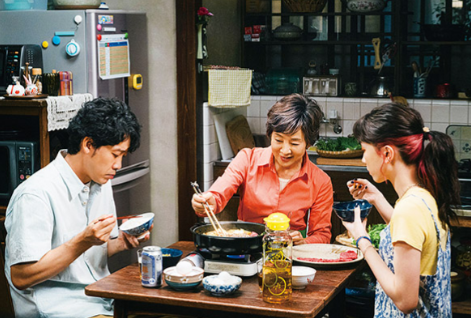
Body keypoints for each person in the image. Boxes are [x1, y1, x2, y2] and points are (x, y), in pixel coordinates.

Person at [4, 98, 151, 318]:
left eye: (122, 156)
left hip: (101, 297)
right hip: (59, 308)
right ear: (88, 144)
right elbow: (21, 276)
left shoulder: (100, 181)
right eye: (115, 154)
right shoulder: (36, 193)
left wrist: (120, 242)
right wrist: (82, 241)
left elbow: (91, 254)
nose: (118, 165)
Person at [342, 103, 459, 316]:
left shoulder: (409, 209)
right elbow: (413, 238)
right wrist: (376, 198)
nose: (363, 159)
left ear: (386, 153)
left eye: (365, 150)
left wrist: (362, 239)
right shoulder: (422, 196)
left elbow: (405, 300)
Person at [192, 94, 333, 245]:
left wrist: (304, 242)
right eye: (278, 140)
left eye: (294, 143)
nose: (285, 150)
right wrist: (207, 202)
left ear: (309, 143)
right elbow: (219, 193)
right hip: (245, 246)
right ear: (270, 135)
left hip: (289, 252)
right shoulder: (247, 159)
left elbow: (322, 235)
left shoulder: (321, 181)